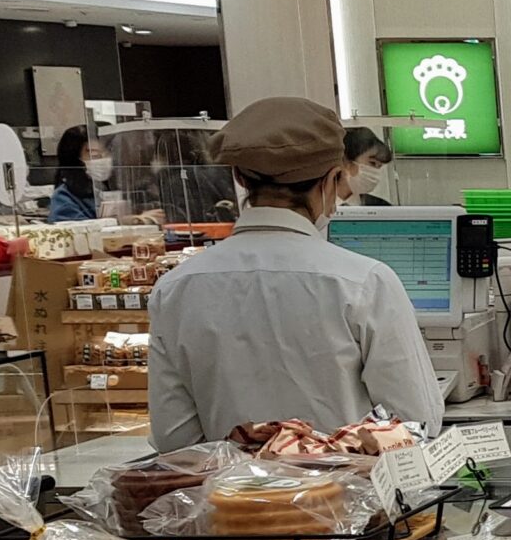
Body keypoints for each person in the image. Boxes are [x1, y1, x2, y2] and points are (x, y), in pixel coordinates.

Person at [148, 97, 445, 448]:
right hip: (347, 498)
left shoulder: (174, 289)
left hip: (230, 500)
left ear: (240, 177)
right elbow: (415, 420)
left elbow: (174, 438)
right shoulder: (364, 282)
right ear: (335, 178)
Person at [48, 127, 114, 222]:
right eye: (95, 156)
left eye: (106, 154)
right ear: (75, 160)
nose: (104, 159)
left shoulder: (110, 188)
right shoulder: (64, 197)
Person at [343, 126, 395, 206]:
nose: (375, 172)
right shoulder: (318, 208)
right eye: (372, 163)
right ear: (346, 161)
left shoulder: (382, 208)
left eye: (379, 167)